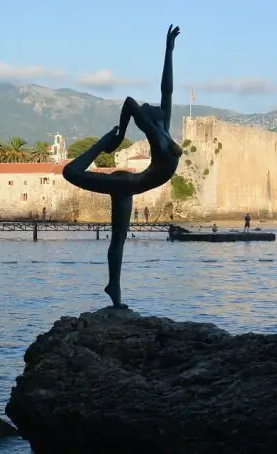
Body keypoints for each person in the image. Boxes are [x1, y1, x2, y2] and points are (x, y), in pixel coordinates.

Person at [62, 24, 181, 309]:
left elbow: (167, 90)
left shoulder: (162, 127)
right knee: (70, 172)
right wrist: (116, 138)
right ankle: (101, 143)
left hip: (130, 185)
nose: (154, 104)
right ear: (148, 120)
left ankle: (113, 289)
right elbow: (129, 103)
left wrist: (168, 51)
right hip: (127, 184)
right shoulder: (156, 135)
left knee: (119, 241)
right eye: (151, 106)